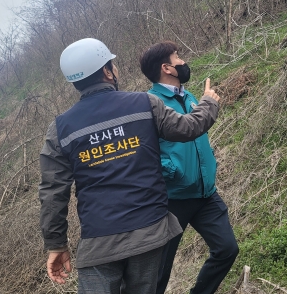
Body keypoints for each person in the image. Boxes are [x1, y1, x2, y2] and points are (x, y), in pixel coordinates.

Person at [39, 38, 221, 294]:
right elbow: (189, 128)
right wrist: (209, 102)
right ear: (106, 71)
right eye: (113, 64)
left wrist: (56, 244)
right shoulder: (145, 104)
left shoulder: (60, 130)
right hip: (148, 232)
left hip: (98, 244)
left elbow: (52, 193)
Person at [139, 41, 239, 294]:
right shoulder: (149, 104)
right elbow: (144, 152)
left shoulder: (190, 97)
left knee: (227, 249)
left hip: (206, 193)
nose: (183, 61)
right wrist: (172, 171)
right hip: (173, 200)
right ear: (167, 68)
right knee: (159, 273)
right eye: (177, 57)